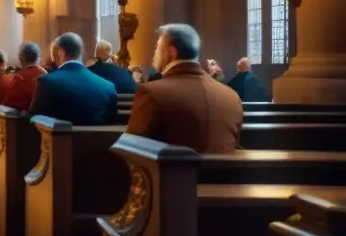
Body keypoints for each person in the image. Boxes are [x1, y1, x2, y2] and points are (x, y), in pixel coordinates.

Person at [125, 24, 244, 154]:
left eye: (157, 48)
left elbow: (132, 152)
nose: (154, 55)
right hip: (225, 174)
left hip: (172, 174)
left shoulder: (152, 92)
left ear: (170, 53)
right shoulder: (232, 96)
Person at [28, 32, 117, 125]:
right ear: (80, 52)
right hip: (99, 139)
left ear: (60, 52)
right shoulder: (108, 87)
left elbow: (34, 120)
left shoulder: (46, 82)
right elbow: (112, 123)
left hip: (58, 139)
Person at [0, 42, 46, 112]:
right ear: (38, 57)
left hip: (24, 121)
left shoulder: (20, 78)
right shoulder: (46, 74)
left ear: (20, 59)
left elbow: (7, 105)